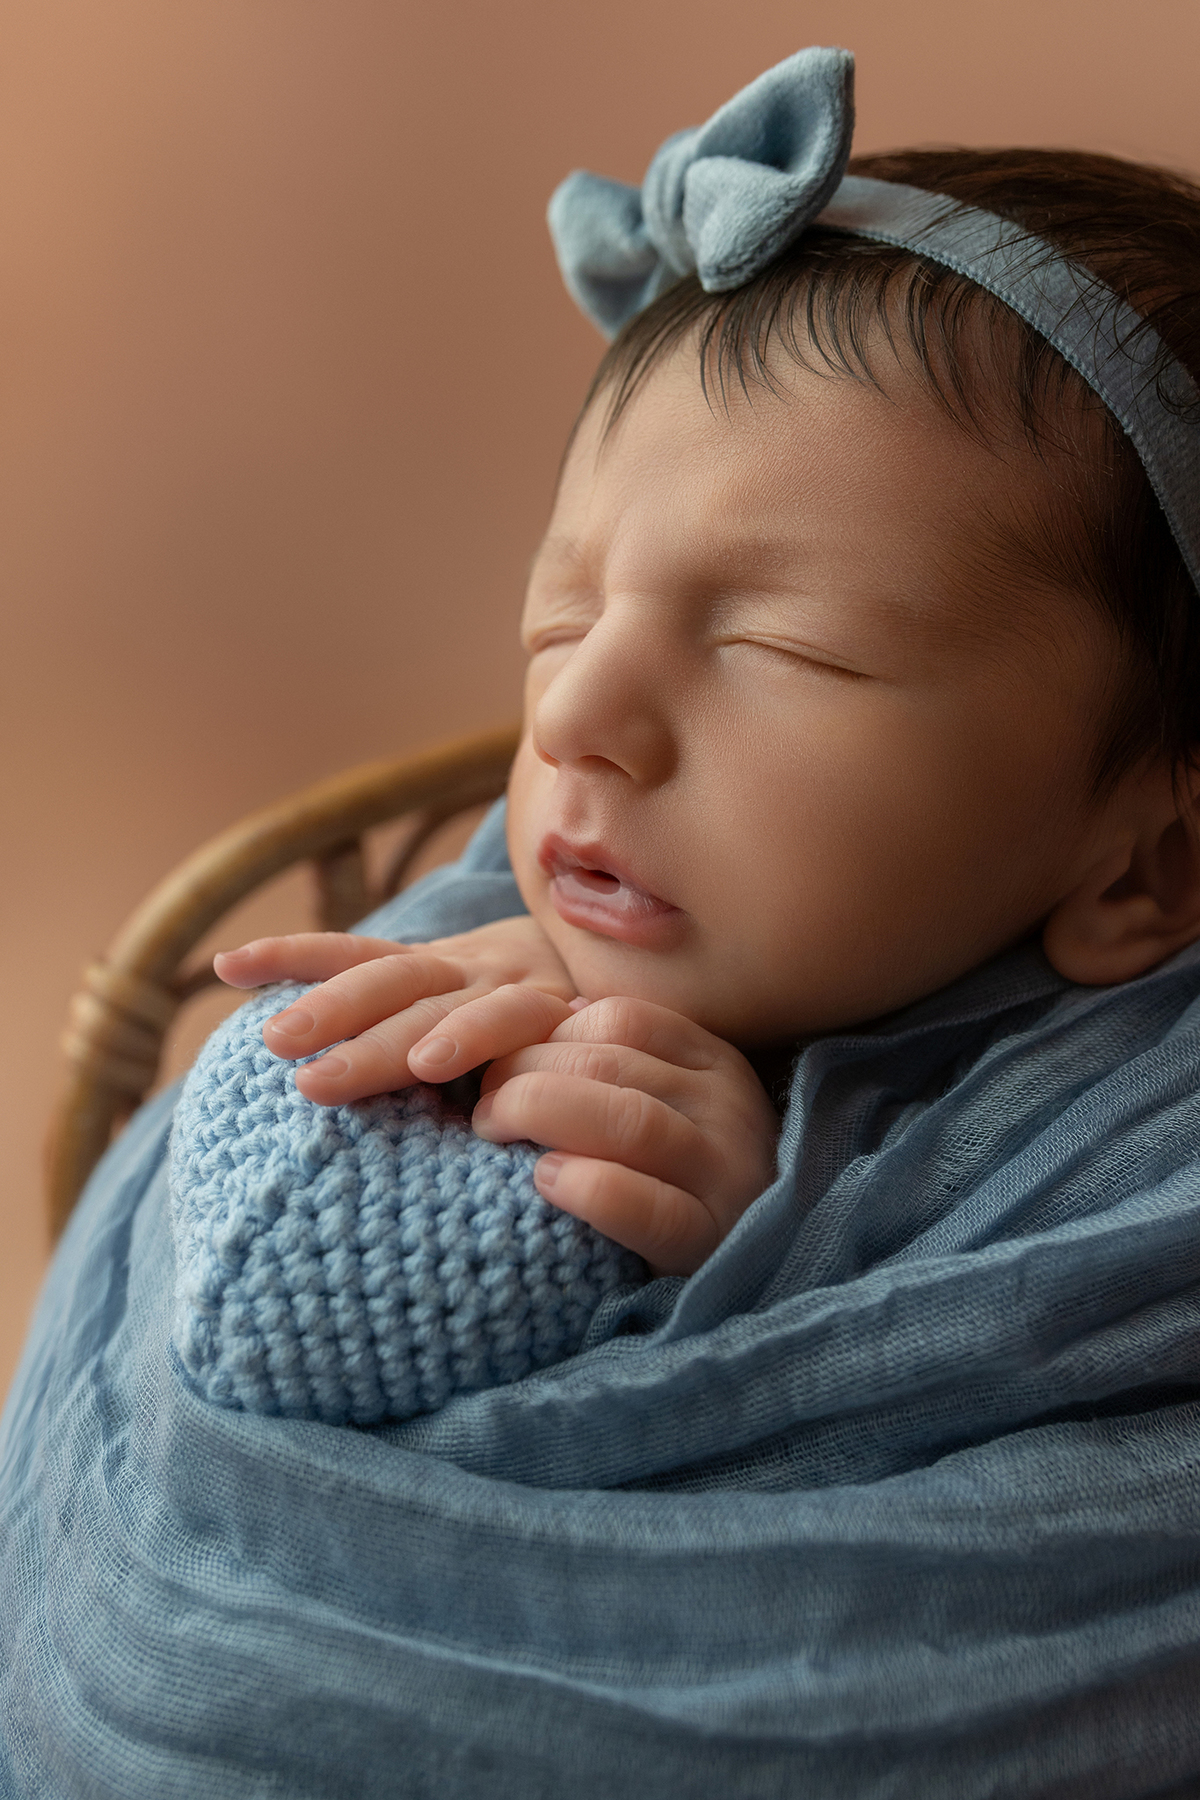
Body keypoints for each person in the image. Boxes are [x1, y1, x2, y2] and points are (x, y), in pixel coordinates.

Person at [9, 47, 1200, 1797]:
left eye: (781, 647)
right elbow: (227, 1371)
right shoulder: (488, 942)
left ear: (1139, 871)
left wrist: (759, 1254)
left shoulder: (1125, 1152)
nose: (578, 722)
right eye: (561, 617)